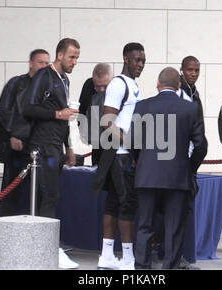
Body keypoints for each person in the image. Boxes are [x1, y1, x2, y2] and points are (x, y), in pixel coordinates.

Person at [131, 67, 206, 269]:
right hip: (177, 177)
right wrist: (190, 167)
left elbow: (133, 142)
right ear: (179, 85)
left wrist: (140, 161)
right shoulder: (190, 109)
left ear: (158, 83)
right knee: (174, 228)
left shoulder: (142, 107)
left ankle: (141, 270)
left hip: (147, 176)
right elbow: (200, 146)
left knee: (145, 225)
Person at [23, 38, 80, 269]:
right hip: (42, 144)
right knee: (49, 196)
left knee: (51, 196)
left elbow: (65, 117)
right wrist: (57, 114)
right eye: (71, 57)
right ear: (60, 55)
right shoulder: (43, 76)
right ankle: (47, 249)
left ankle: (46, 246)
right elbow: (28, 108)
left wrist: (70, 148)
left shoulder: (64, 80)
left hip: (56, 145)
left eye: (77, 57)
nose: (75, 62)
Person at [92, 42, 146, 270]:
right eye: (137, 60)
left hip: (125, 153)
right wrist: (129, 143)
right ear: (126, 59)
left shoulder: (133, 85)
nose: (140, 65)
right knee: (127, 203)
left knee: (114, 203)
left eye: (143, 61)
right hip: (120, 155)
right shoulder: (118, 85)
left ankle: (106, 256)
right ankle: (127, 258)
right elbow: (107, 122)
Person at [0, 49, 50, 217]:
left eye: (47, 63)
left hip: (40, 145)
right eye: (40, 62)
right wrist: (13, 134)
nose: (44, 66)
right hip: (18, 146)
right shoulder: (17, 83)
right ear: (31, 63)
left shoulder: (49, 87)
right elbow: (4, 111)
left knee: (40, 191)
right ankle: (6, 226)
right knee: (12, 188)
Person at [78, 63, 113, 165]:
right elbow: (82, 110)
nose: (101, 90)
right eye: (98, 86)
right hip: (96, 141)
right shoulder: (89, 85)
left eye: (105, 86)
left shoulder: (118, 86)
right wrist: (83, 131)